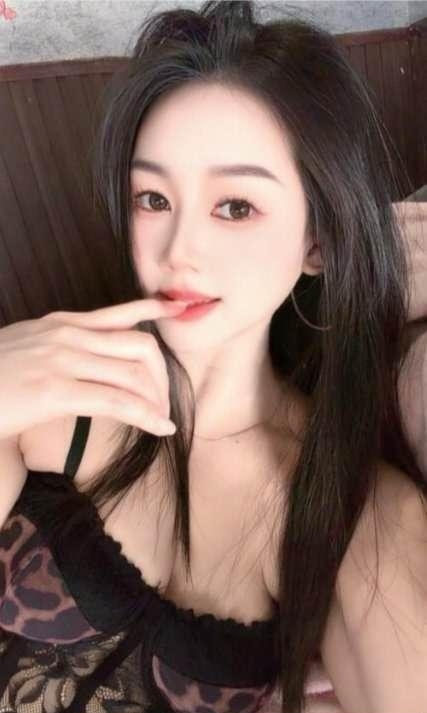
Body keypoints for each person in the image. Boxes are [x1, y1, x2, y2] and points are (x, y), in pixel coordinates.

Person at [0, 2, 426, 712]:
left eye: (235, 207)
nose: (178, 251)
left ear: (318, 240)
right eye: (152, 198)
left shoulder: (358, 513)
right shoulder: (45, 396)